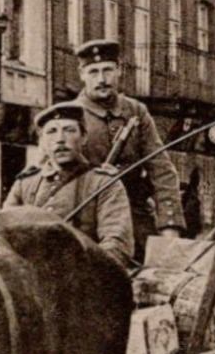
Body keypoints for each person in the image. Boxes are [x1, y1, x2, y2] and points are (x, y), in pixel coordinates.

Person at [70, 39, 184, 255]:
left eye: (108, 70)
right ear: (81, 74)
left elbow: (161, 170)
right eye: (93, 72)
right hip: (87, 224)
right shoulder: (71, 116)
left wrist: (170, 226)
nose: (102, 79)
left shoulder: (136, 111)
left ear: (119, 70)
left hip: (135, 219)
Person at [3, 101, 135, 270]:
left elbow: (117, 245)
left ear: (84, 137)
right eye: (51, 132)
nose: (60, 139)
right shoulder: (25, 183)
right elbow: (3, 235)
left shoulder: (103, 183)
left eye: (69, 130)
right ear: (42, 140)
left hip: (81, 281)